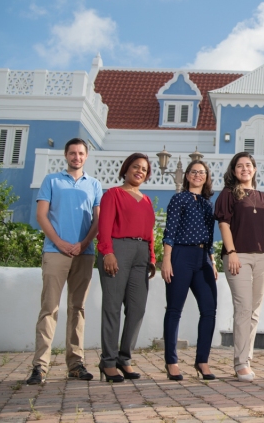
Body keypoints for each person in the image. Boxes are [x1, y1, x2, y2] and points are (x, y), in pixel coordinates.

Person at [26, 138, 102, 385]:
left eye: (80, 153)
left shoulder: (94, 185)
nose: (76, 157)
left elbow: (98, 220)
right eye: (72, 153)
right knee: (50, 308)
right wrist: (59, 242)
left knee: (77, 309)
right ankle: (40, 366)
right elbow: (41, 215)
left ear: (86, 156)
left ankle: (75, 364)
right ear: (66, 155)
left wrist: (82, 244)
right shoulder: (51, 181)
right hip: (55, 252)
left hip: (84, 253)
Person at [214, 152, 264, 382]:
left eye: (248, 165)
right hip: (238, 256)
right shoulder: (228, 195)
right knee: (243, 308)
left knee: (254, 312)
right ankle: (240, 363)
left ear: (254, 169)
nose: (244, 169)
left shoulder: (263, 198)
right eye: (239, 166)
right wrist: (231, 252)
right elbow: (224, 225)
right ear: (233, 171)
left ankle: (246, 359)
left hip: (262, 258)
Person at [96, 153, 156, 383]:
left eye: (144, 169)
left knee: (137, 308)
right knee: (112, 307)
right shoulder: (113, 194)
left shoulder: (147, 200)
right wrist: (107, 252)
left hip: (141, 255)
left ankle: (124, 358)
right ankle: (108, 361)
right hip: (117, 250)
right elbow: (104, 225)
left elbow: (149, 231)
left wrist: (151, 256)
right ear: (126, 169)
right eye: (135, 167)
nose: (139, 171)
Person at [161, 160, 218, 381]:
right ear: (186, 175)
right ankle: (171, 361)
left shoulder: (208, 204)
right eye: (194, 171)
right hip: (180, 255)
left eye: (202, 172)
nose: (198, 175)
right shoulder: (179, 199)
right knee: (175, 309)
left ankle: (202, 360)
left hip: (202, 257)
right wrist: (167, 259)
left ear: (207, 177)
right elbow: (170, 230)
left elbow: (210, 236)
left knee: (209, 309)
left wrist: (212, 261)